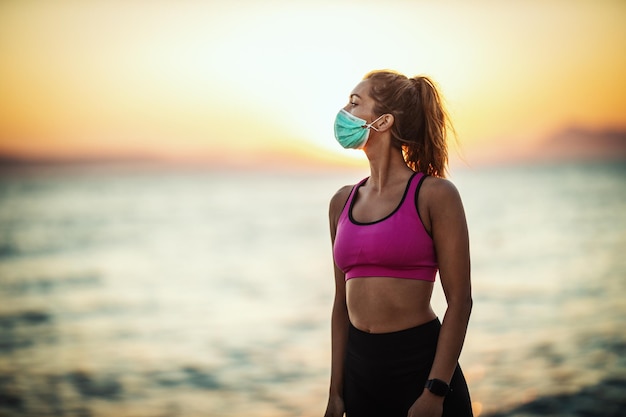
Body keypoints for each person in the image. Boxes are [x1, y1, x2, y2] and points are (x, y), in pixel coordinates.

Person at [323, 70, 473, 417]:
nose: (344, 111)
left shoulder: (435, 195)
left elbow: (460, 302)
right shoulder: (341, 201)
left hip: (420, 370)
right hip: (360, 375)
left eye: (355, 102)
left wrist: (435, 392)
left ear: (384, 121)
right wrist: (335, 392)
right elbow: (340, 305)